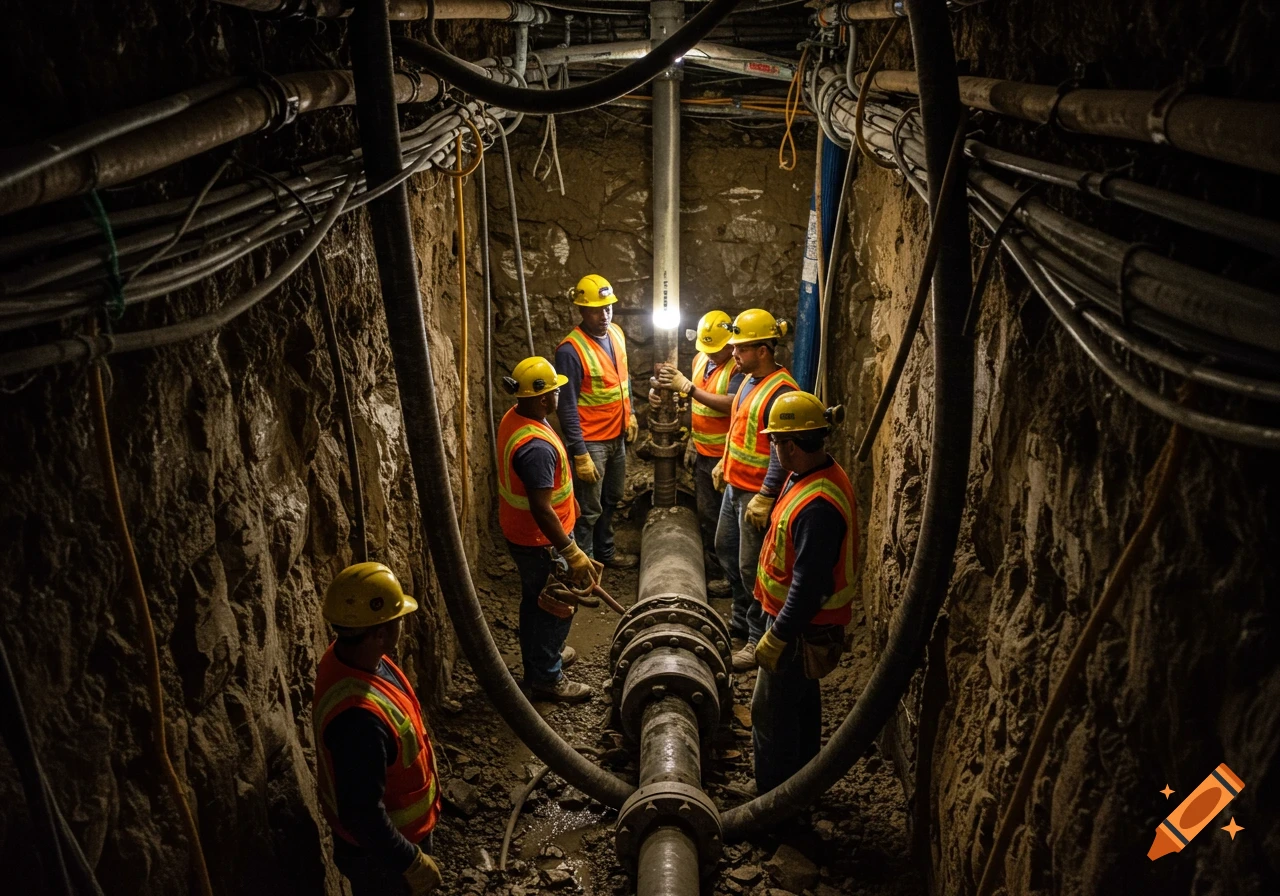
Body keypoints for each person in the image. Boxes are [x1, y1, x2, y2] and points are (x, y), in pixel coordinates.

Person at [750, 391, 859, 796]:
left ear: (791, 445)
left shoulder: (817, 505)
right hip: (795, 623)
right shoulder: (814, 475)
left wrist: (778, 636)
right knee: (799, 705)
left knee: (772, 714)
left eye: (775, 440)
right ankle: (802, 787)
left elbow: (809, 584)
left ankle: (773, 801)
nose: (773, 447)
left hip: (798, 628)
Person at [314, 562, 443, 896]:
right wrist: (409, 862)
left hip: (390, 845)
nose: (403, 624)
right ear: (380, 633)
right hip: (382, 858)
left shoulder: (348, 657)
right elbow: (362, 815)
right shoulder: (359, 722)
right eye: (397, 619)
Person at [497, 357, 601, 703]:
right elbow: (542, 508)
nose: (559, 395)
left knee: (535, 601)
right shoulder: (537, 448)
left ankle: (545, 655)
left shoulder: (518, 417)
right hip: (541, 541)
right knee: (555, 604)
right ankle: (547, 677)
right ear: (544, 399)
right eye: (555, 391)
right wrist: (571, 552)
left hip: (525, 535)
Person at [713, 308, 798, 672]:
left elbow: (783, 449)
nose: (734, 354)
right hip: (735, 486)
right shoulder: (747, 381)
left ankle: (755, 639)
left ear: (763, 350)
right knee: (724, 549)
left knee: (752, 569)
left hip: (754, 494)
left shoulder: (782, 391)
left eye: (741, 349)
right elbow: (739, 427)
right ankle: (738, 619)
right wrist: (724, 461)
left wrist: (766, 494)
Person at [654, 309, 742, 599]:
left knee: (731, 524)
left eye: (717, 350)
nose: (712, 355)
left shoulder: (737, 367)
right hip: (704, 452)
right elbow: (693, 405)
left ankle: (734, 581)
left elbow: (731, 404)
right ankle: (716, 571)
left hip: (727, 457)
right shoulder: (700, 358)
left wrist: (688, 389)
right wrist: (667, 397)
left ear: (731, 345)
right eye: (708, 349)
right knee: (709, 515)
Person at [555, 273, 639, 569]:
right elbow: (566, 406)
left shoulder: (616, 333)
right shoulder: (570, 350)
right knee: (589, 508)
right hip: (592, 443)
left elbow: (622, 382)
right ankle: (584, 565)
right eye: (595, 310)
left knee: (612, 499)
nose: (604, 315)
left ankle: (605, 553)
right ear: (580, 310)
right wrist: (579, 452)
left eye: (608, 308)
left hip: (617, 436)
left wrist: (631, 415)